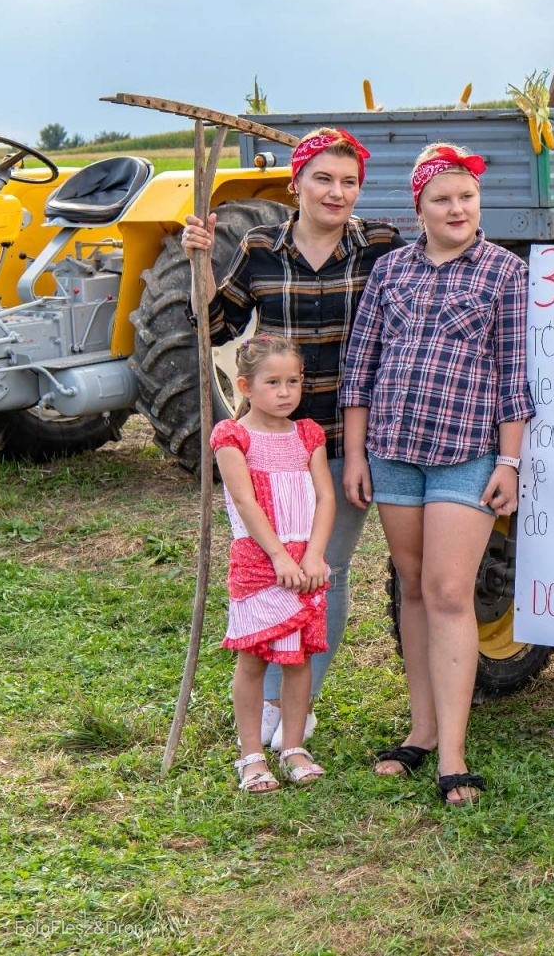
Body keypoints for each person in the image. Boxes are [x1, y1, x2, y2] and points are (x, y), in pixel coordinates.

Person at [183, 127, 400, 752]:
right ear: (295, 183)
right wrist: (199, 265)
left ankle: (291, 707)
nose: (337, 192)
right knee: (275, 562)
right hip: (277, 444)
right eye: (323, 179)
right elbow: (213, 324)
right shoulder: (261, 248)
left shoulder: (379, 246)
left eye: (349, 182)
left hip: (350, 436)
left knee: (324, 566)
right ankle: (273, 697)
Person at [339, 143, 532, 806]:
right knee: (413, 586)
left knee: (449, 589)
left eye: (467, 197)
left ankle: (453, 753)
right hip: (394, 449)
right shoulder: (390, 270)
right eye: (442, 198)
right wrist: (357, 454)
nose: (457, 209)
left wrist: (509, 461)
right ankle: (419, 731)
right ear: (418, 206)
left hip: (467, 450)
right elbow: (361, 367)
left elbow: (515, 376)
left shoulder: (505, 273)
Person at [213, 334, 335, 792]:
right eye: (272, 383)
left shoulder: (308, 435)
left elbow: (325, 497)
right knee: (252, 659)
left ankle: (293, 746)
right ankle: (251, 755)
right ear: (245, 386)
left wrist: (314, 554)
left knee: (299, 659)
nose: (285, 393)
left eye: (293, 382)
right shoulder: (233, 437)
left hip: (305, 563)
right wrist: (280, 556)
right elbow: (246, 502)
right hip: (261, 561)